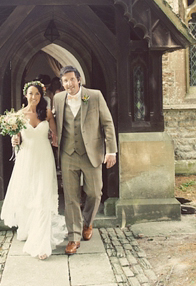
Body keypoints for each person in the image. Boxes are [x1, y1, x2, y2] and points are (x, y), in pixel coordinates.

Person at [53, 66, 117, 255]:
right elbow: (50, 120)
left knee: (95, 192)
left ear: (79, 79)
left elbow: (107, 123)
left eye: (71, 79)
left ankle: (87, 222)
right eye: (65, 81)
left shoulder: (94, 96)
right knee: (71, 198)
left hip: (91, 153)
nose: (69, 84)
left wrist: (111, 151)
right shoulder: (58, 99)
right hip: (68, 154)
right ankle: (74, 237)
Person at [0, 80, 66, 260]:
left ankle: (41, 244)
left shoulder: (46, 113)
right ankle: (28, 228)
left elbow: (55, 137)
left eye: (37, 93)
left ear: (41, 95)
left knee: (43, 198)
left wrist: (57, 139)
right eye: (31, 93)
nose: (34, 97)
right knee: (29, 196)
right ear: (25, 95)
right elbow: (16, 139)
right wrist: (14, 141)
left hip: (44, 159)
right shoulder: (18, 115)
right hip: (27, 159)